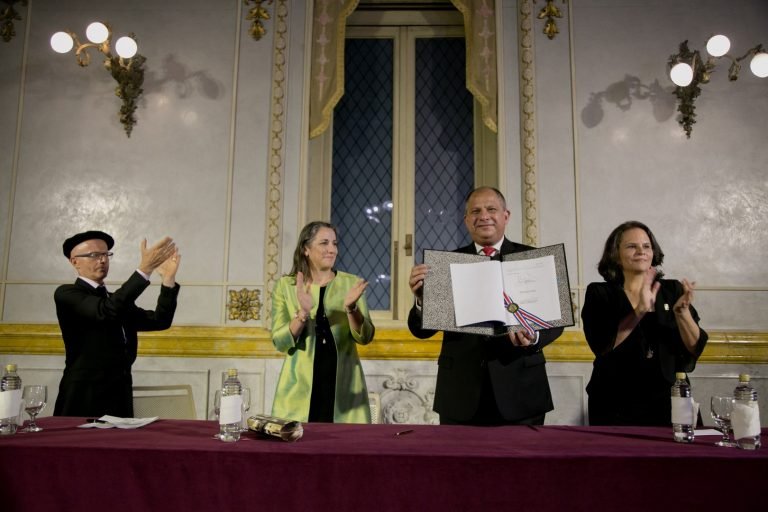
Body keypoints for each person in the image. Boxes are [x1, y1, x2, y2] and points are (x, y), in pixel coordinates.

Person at [407, 187, 564, 426]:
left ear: (506, 216)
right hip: (460, 395)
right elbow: (421, 332)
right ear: (466, 219)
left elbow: (555, 321)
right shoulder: (446, 265)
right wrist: (422, 300)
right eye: (476, 211)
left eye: (491, 209)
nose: (484, 216)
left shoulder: (535, 260)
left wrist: (533, 337)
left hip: (521, 391)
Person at [582, 221, 708, 426]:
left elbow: (695, 347)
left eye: (646, 246)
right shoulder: (600, 293)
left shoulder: (672, 290)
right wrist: (640, 309)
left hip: (671, 400)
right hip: (615, 403)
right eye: (632, 246)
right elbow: (602, 344)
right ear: (616, 255)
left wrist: (682, 313)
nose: (641, 251)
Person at [53, 231, 181, 418]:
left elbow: (159, 321)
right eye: (93, 255)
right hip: (83, 397)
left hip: (120, 394)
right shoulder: (67, 294)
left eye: (105, 254)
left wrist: (168, 281)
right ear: (74, 262)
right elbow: (105, 311)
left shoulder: (114, 300)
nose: (102, 260)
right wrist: (144, 270)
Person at [271, 221, 375, 423]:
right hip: (298, 389)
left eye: (334, 243)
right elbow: (280, 341)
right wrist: (302, 313)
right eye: (324, 243)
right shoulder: (286, 286)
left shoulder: (351, 283)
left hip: (343, 385)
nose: (332, 249)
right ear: (306, 249)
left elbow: (366, 337)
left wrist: (351, 309)